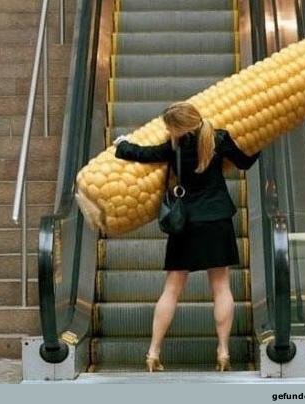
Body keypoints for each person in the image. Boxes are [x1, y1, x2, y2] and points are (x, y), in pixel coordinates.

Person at [113, 101, 260, 372]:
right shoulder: (219, 138)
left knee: (171, 289)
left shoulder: (175, 147)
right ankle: (224, 351)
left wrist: (121, 144)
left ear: (178, 128)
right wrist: (261, 138)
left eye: (169, 127)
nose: (168, 132)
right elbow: (246, 162)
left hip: (186, 224)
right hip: (217, 219)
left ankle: (153, 351)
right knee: (221, 287)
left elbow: (141, 154)